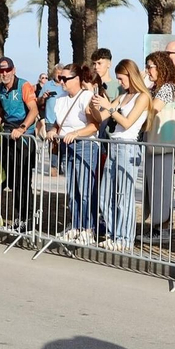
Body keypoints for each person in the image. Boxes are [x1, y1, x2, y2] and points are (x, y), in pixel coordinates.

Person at [90, 59, 151, 249]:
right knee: (106, 195)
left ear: (130, 75)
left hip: (128, 146)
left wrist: (108, 107)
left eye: (122, 78)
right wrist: (95, 104)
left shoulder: (142, 97)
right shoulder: (123, 96)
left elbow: (127, 122)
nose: (120, 82)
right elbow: (102, 117)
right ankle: (112, 233)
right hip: (114, 146)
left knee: (124, 196)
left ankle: (124, 239)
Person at [46, 64, 100, 242]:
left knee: (85, 190)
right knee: (72, 190)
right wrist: (53, 130)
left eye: (65, 79)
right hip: (66, 146)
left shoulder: (86, 96)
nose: (61, 81)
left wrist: (75, 133)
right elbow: (59, 123)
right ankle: (76, 225)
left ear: (76, 79)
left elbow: (94, 125)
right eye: (60, 78)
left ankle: (89, 228)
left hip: (85, 146)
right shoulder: (61, 99)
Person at [0, 56, 38, 231]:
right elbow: (0, 113)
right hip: (8, 135)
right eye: (1, 71)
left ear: (14, 70)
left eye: (8, 70)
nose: (5, 73)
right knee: (14, 181)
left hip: (24, 136)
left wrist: (22, 128)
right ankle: (19, 217)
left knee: (23, 180)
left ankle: (28, 219)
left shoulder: (24, 85)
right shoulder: (0, 88)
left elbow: (34, 110)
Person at [139, 50, 175, 246]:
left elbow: (151, 108)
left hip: (164, 145)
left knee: (162, 188)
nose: (148, 70)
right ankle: (158, 227)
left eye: (150, 66)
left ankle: (163, 228)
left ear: (161, 67)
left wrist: (140, 85)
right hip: (154, 144)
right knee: (154, 188)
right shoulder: (156, 87)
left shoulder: (168, 88)